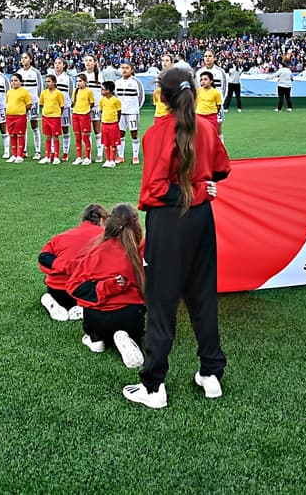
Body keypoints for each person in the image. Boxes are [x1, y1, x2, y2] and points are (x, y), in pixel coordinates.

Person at [125, 68, 232, 409]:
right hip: (201, 221)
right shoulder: (208, 128)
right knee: (202, 296)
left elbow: (156, 189)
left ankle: (154, 387)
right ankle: (211, 373)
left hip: (170, 222)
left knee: (162, 302)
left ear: (161, 96)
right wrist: (202, 188)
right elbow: (221, 170)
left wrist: (197, 190)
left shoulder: (157, 134)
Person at [66, 203, 147, 369]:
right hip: (131, 317)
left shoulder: (97, 252)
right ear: (137, 225)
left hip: (97, 319)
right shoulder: (144, 250)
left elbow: (74, 287)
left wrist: (107, 286)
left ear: (109, 224)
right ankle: (127, 335)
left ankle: (96, 339)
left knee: (94, 325)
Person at [38, 203, 108, 321]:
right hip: (87, 291)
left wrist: (65, 266)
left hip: (57, 290)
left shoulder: (60, 237)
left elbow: (43, 258)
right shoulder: (107, 238)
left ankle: (51, 301)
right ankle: (83, 308)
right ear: (102, 221)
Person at [115, 62, 145, 165]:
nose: (124, 70)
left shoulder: (136, 82)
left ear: (132, 70)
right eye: (122, 68)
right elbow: (115, 97)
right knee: (120, 133)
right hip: (121, 113)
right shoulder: (117, 82)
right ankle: (121, 156)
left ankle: (135, 156)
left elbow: (141, 97)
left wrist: (136, 109)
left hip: (132, 112)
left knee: (134, 133)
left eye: (127, 68)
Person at [3, 73, 33, 164]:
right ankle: (14, 155)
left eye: (16, 80)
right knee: (12, 135)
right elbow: (8, 103)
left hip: (20, 116)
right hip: (9, 117)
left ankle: (20, 155)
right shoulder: (9, 92)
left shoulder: (24, 92)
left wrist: (21, 110)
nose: (13, 82)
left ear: (20, 82)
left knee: (20, 135)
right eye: (12, 80)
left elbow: (29, 104)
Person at [18, 53, 42, 159]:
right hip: (21, 104)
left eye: (26, 58)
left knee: (34, 126)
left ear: (30, 59)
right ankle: (24, 150)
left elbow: (40, 87)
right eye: (22, 58)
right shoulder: (19, 72)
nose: (23, 60)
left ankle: (38, 150)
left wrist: (37, 100)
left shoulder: (35, 72)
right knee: (23, 127)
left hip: (33, 102)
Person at [81, 54, 104, 162]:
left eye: (90, 60)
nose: (88, 62)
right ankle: (87, 154)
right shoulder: (82, 75)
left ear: (95, 62)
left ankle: (100, 153)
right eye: (86, 60)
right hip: (84, 107)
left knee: (97, 129)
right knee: (86, 131)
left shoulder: (100, 75)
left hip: (96, 106)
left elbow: (103, 91)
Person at [38, 74, 65, 165]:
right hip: (46, 117)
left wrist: (56, 114)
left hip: (55, 117)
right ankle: (47, 156)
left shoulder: (58, 93)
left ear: (54, 82)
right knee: (47, 137)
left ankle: (56, 156)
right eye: (46, 81)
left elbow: (62, 106)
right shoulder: (44, 93)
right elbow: (41, 104)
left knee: (55, 137)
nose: (47, 83)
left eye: (49, 81)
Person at [71, 71, 95, 166]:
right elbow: (74, 102)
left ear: (85, 82)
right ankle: (79, 157)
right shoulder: (75, 91)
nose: (78, 83)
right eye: (77, 81)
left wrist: (86, 110)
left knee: (85, 137)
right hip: (75, 114)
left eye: (80, 81)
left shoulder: (89, 91)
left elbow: (92, 103)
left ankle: (88, 157)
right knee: (77, 137)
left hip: (84, 115)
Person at [98, 80, 123, 168]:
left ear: (108, 90)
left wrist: (116, 121)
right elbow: (101, 110)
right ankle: (107, 159)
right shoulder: (102, 100)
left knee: (113, 143)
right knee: (106, 143)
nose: (102, 91)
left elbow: (119, 112)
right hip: (104, 124)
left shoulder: (116, 100)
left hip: (113, 124)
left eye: (103, 89)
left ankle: (112, 160)